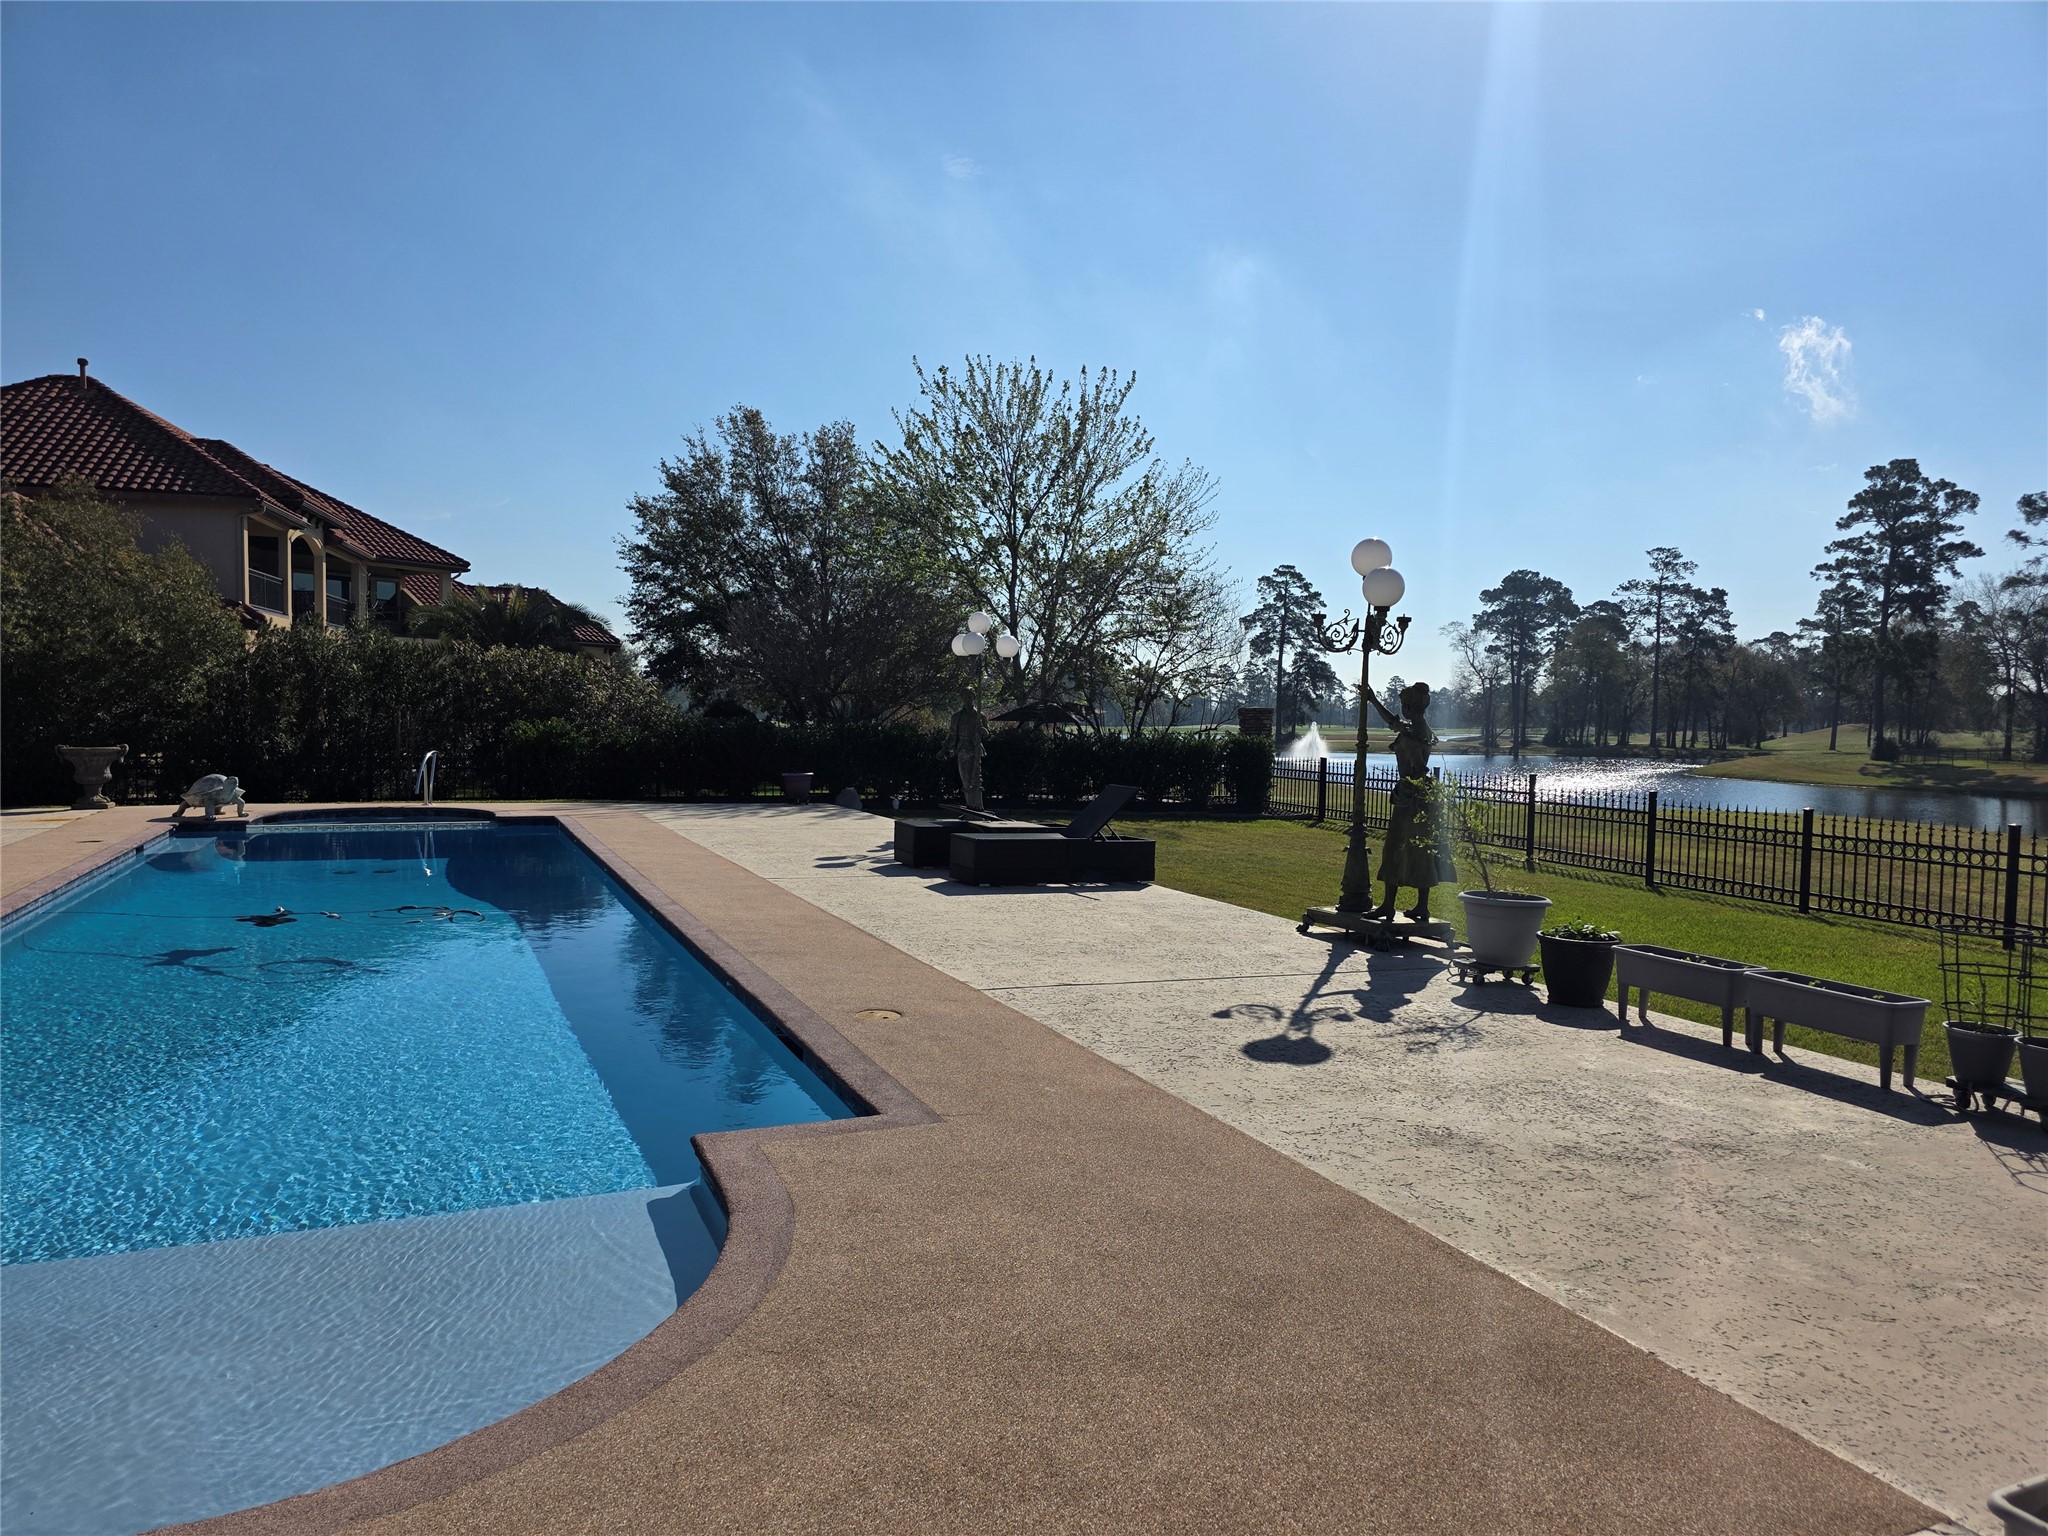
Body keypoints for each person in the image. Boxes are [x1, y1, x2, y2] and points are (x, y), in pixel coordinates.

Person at [1363, 680, 1454, 921]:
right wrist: (1372, 700)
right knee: (1409, 849)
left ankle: (1396, 905)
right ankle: (1400, 905)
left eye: (1403, 704)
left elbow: (1417, 768)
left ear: (1410, 706)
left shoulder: (1417, 732)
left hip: (1413, 797)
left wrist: (1408, 788)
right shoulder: (1417, 726)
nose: (1401, 708)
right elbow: (1393, 723)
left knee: (1405, 849)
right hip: (1415, 795)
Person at [949, 700, 988, 811]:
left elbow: (987, 734)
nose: (967, 699)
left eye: (969, 696)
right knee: (965, 780)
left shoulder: (980, 715)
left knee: (975, 779)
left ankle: (977, 806)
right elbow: (952, 734)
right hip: (961, 750)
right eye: (964, 696)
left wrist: (983, 730)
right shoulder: (956, 717)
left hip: (974, 750)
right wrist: (945, 749)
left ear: (973, 698)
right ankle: (970, 807)